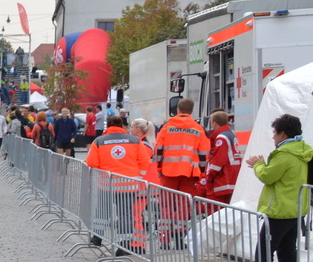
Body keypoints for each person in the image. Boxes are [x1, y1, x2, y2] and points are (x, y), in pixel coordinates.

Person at [245, 113, 312, 262]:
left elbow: (268, 176)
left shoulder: (284, 154)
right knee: (287, 253)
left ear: (283, 134)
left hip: (279, 210)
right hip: (297, 209)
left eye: (274, 133)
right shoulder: (305, 150)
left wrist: (257, 164)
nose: (273, 137)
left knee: (263, 254)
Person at [84, 112, 151, 250]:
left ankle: (97, 238)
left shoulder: (99, 141)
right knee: (126, 214)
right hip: (128, 185)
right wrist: (139, 176)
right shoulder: (134, 140)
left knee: (102, 212)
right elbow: (144, 161)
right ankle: (124, 245)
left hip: (106, 184)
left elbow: (92, 163)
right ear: (122, 126)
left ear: (107, 126)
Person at [155, 98, 211, 239]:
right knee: (184, 204)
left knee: (166, 205)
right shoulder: (198, 129)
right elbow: (204, 154)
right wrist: (202, 172)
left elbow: (158, 150)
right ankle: (180, 236)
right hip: (189, 173)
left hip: (168, 171)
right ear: (191, 111)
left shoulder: (166, 127)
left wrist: (159, 168)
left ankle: (165, 237)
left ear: (178, 109)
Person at [205, 111, 241, 206]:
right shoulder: (231, 134)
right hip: (231, 179)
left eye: (211, 122)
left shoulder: (221, 138)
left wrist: (209, 175)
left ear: (215, 123)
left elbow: (218, 162)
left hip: (222, 181)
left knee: (216, 213)